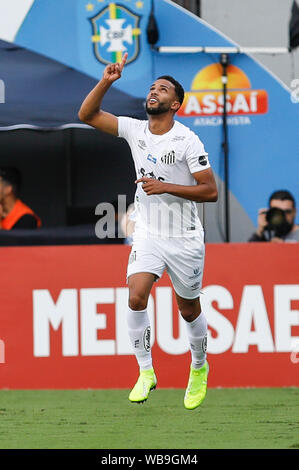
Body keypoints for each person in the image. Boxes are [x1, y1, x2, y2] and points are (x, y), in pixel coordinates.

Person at [79, 53, 218, 410]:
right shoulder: (135, 129)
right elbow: (87, 115)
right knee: (136, 296)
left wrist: (165, 186)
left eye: (163, 89)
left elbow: (210, 191)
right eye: (153, 87)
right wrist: (107, 80)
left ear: (176, 103)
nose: (154, 91)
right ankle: (146, 371)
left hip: (184, 236)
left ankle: (199, 367)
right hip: (149, 232)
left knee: (188, 309)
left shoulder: (188, 141)